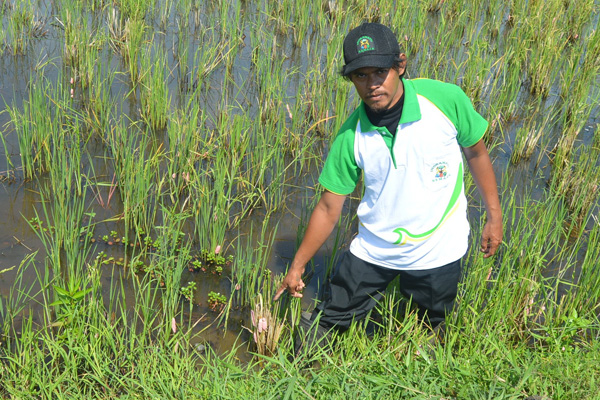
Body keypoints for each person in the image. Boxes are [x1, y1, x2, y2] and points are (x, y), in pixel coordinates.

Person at [273, 22, 502, 348]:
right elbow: (328, 208)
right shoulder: (350, 136)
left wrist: (494, 215)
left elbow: (477, 152)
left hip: (438, 252)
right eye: (360, 75)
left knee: (430, 328)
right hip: (374, 249)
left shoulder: (445, 101)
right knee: (326, 324)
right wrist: (297, 266)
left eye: (380, 71)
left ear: (400, 65)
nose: (372, 84)